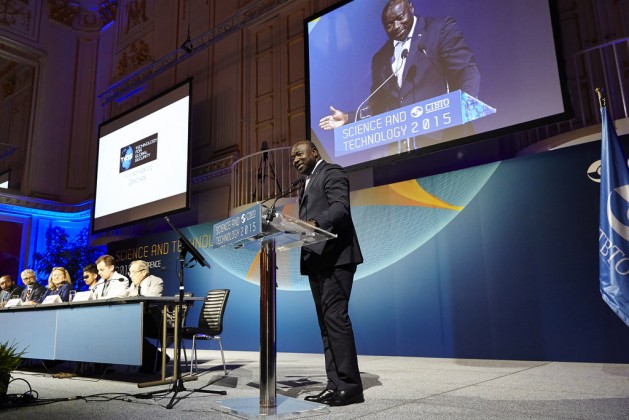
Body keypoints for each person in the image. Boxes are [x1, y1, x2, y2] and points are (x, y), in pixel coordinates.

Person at [319, 0, 480, 150]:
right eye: (389, 24)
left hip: (445, 139)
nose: (396, 26)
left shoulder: (439, 29)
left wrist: (464, 110)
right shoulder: (380, 58)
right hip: (401, 150)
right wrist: (348, 118)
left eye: (400, 17)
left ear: (411, 7)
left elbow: (465, 70)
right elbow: (378, 104)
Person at [291, 140, 364, 406]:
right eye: (292, 158)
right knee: (326, 325)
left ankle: (351, 387)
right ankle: (334, 384)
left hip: (336, 258)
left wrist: (314, 222)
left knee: (335, 318)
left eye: (299, 154)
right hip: (317, 260)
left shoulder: (332, 172)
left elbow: (339, 208)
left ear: (314, 152)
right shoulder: (305, 184)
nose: (295, 159)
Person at [128, 260, 169, 373]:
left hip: (154, 321)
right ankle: (155, 357)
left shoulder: (156, 281)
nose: (130, 275)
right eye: (129, 273)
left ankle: (155, 358)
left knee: (131, 330)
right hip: (137, 319)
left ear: (143, 271)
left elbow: (152, 300)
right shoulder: (133, 285)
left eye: (133, 272)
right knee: (127, 330)